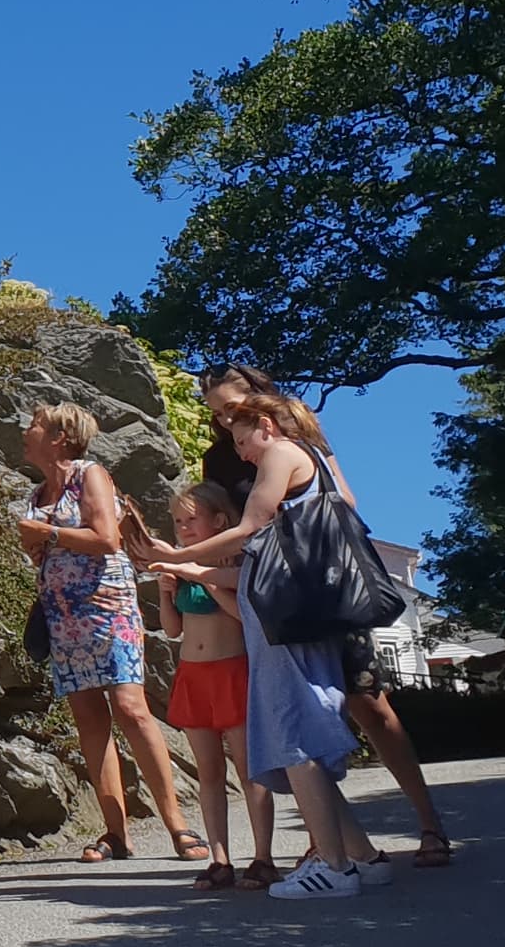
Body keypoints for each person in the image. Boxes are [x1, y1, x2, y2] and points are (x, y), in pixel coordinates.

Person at [202, 365, 454, 866]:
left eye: (232, 407)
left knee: (370, 705)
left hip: (325, 585)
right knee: (299, 712)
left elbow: (344, 499)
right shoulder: (221, 457)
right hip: (269, 596)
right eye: (217, 413)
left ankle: (430, 825)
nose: (226, 419)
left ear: (258, 397)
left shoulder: (295, 437)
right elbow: (233, 527)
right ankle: (331, 843)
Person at [150, 383, 391, 901]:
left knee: (295, 738)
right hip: (303, 618)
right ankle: (363, 857)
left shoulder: (281, 453)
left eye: (241, 440)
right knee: (307, 735)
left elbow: (250, 528)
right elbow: (262, 564)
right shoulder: (316, 465)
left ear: (266, 425)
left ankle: (333, 866)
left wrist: (173, 560)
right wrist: (195, 568)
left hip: (287, 627)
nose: (239, 455)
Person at [16, 402, 201, 863]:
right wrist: (41, 541)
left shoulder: (89, 474)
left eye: (36, 424)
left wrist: (46, 533)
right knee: (88, 717)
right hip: (62, 613)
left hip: (106, 606)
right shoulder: (36, 493)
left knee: (130, 708)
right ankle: (115, 833)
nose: (26, 430)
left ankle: (177, 826)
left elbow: (107, 539)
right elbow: (40, 551)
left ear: (60, 437)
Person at [158, 480, 275, 891]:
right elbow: (172, 630)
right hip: (193, 673)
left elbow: (243, 616)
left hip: (231, 670)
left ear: (219, 521)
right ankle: (219, 858)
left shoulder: (231, 560)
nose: (184, 529)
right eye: (177, 522)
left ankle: (263, 857)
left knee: (250, 771)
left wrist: (207, 578)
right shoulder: (181, 568)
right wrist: (166, 591)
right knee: (209, 773)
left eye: (192, 520)